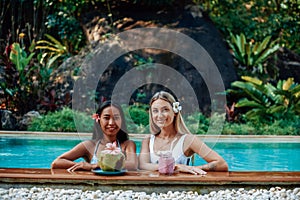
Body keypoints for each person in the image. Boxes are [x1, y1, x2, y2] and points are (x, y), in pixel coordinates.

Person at [139, 91, 228, 175]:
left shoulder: (188, 140)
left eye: (165, 110)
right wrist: (177, 167)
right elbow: (143, 165)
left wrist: (193, 168)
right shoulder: (148, 141)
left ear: (175, 112)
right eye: (155, 111)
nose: (160, 115)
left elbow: (221, 164)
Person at [51, 100, 138, 171]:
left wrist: (94, 166)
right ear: (98, 120)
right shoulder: (89, 146)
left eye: (116, 118)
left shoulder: (127, 144)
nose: (111, 123)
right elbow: (56, 162)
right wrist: (82, 165)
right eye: (106, 118)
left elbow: (133, 165)